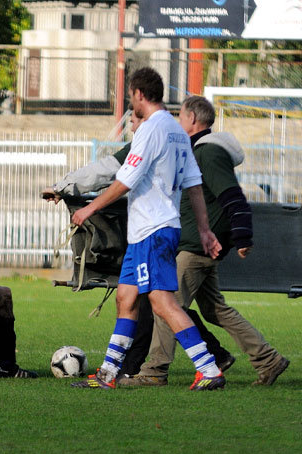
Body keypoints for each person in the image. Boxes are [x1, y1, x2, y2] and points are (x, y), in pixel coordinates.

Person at [42, 110, 235, 378]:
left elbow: (117, 176)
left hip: (153, 231)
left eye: (133, 116)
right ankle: (108, 374)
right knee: (129, 298)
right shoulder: (177, 139)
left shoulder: (153, 139)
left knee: (161, 304)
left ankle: (208, 368)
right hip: (148, 232)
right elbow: (192, 185)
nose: (130, 123)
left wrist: (80, 200)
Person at [119, 95, 289, 387]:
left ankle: (154, 372)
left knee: (165, 306)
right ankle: (267, 359)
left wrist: (242, 235)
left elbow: (232, 195)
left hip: (195, 247)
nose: (177, 121)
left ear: (193, 120)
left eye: (181, 116)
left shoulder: (207, 152)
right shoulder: (194, 150)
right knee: (214, 310)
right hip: (199, 245)